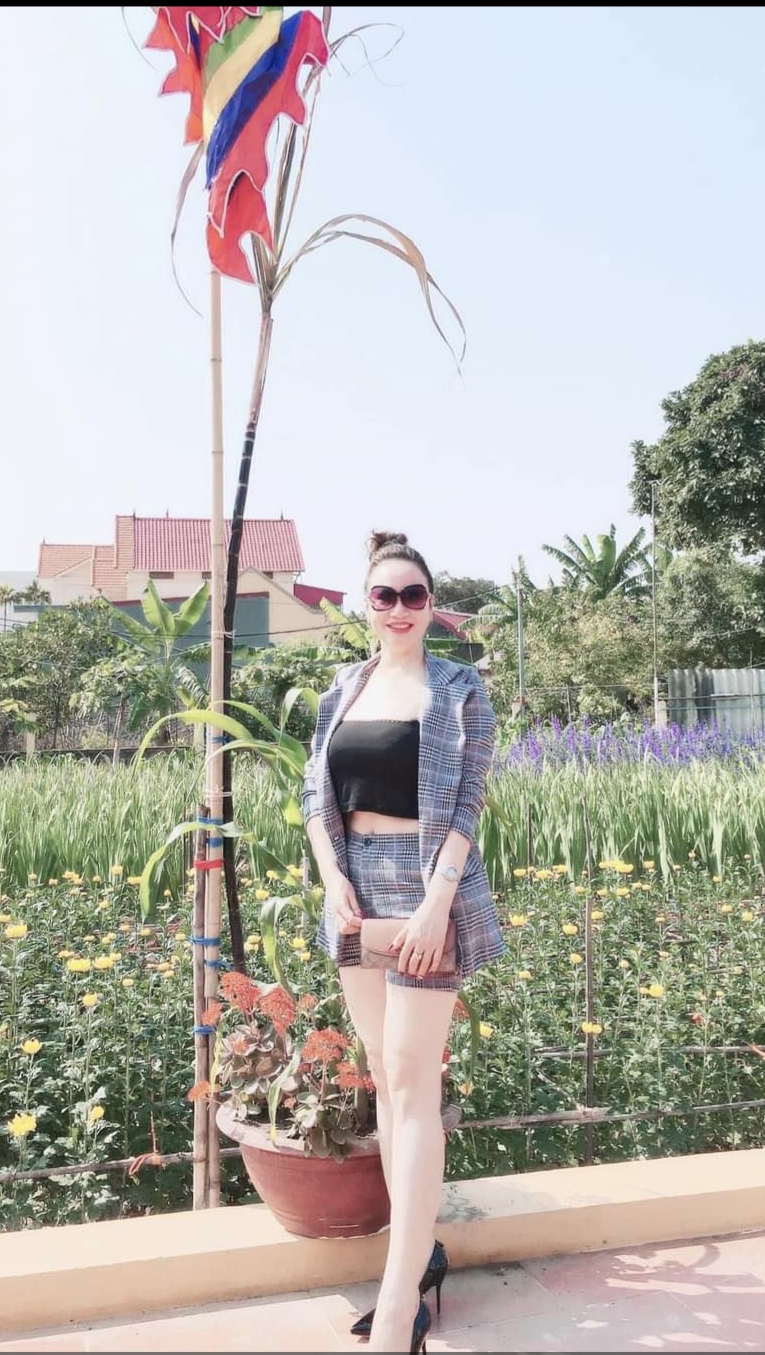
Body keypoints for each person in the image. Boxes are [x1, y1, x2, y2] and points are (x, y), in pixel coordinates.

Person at [302, 530, 505, 1354]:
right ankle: (415, 1262)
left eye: (412, 595)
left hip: (426, 887)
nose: (397, 608)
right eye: (383, 595)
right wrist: (329, 876)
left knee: (414, 1081)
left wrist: (435, 905)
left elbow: (467, 801)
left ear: (431, 605)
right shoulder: (342, 688)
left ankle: (395, 1311)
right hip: (354, 891)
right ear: (365, 604)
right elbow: (314, 794)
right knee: (385, 1078)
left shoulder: (458, 688)